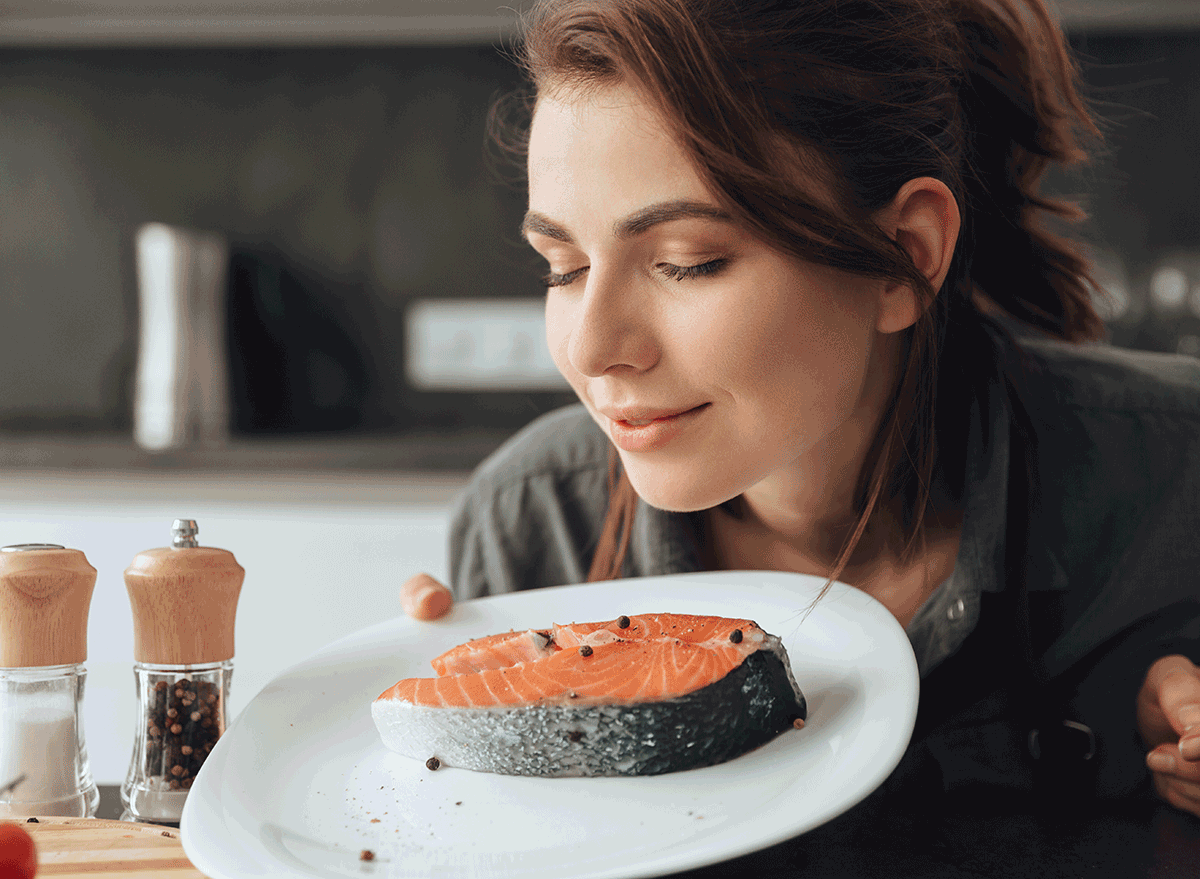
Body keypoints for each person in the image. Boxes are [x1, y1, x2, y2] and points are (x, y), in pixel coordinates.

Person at [400, 0, 1200, 821]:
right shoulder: (532, 527)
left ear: (904, 258)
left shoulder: (1177, 484)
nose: (594, 346)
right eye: (563, 267)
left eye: (688, 262)